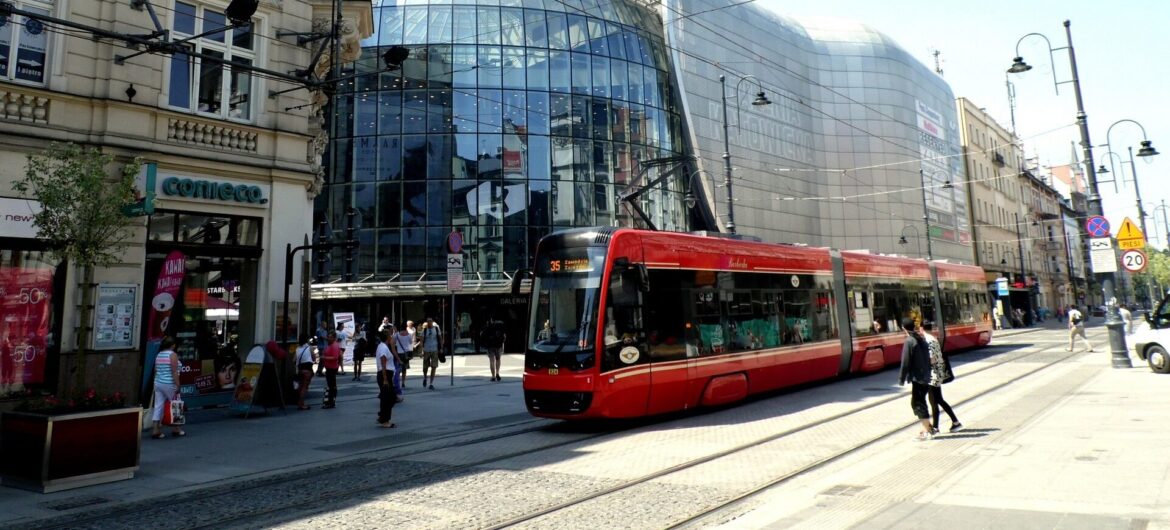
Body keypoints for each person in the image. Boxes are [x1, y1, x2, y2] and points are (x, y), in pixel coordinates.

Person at [898, 318, 934, 442]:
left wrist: (901, 379)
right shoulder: (920, 338)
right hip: (925, 375)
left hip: (918, 377)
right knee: (920, 402)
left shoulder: (909, 341)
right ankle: (928, 428)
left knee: (918, 404)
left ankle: (927, 431)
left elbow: (905, 361)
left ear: (903, 328)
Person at [921, 322, 962, 434]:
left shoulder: (928, 340)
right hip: (937, 373)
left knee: (934, 401)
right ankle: (954, 422)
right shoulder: (933, 339)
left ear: (921, 328)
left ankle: (936, 427)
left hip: (932, 375)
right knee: (938, 400)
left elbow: (932, 359)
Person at [151, 337, 185, 439]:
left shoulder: (159, 355)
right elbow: (174, 371)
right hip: (169, 383)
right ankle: (176, 429)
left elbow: (156, 370)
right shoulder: (172, 355)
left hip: (158, 383)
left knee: (158, 406)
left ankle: (155, 429)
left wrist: (157, 380)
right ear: (173, 345)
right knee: (176, 404)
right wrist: (178, 384)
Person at [374, 331, 397, 428]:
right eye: (390, 335)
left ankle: (382, 416)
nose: (391, 337)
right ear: (387, 337)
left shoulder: (382, 346)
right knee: (389, 398)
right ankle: (385, 420)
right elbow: (383, 361)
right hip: (385, 374)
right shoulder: (383, 347)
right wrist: (385, 378)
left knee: (389, 397)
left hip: (386, 374)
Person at [480, 315, 506, 381]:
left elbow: (482, 335)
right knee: (498, 359)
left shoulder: (488, 326)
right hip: (498, 345)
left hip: (490, 346)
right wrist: (502, 342)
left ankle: (493, 376)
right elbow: (504, 336)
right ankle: (497, 373)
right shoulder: (500, 325)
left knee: (492, 361)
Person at [420, 317, 443, 390]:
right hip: (426, 349)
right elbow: (421, 341)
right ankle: (425, 377)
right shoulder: (424, 330)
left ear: (432, 322)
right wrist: (421, 350)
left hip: (434, 349)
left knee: (434, 366)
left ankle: (431, 383)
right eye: (428, 321)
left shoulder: (436, 329)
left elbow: (440, 338)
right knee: (425, 367)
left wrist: (441, 348)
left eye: (430, 321)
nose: (429, 322)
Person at [320, 330, 341, 408]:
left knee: (331, 385)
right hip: (329, 367)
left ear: (334, 338)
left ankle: (331, 402)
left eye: (331, 337)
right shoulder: (330, 344)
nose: (329, 338)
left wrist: (324, 357)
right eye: (328, 337)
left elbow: (335, 357)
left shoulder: (334, 345)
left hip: (332, 368)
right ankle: (331, 401)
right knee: (331, 385)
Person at [294, 334, 314, 410]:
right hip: (308, 369)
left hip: (300, 369)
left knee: (301, 386)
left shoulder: (297, 349)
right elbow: (314, 358)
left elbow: (294, 360)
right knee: (304, 387)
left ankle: (301, 403)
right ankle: (301, 404)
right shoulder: (310, 348)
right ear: (307, 340)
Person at [393, 324, 414, 390]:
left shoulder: (397, 335)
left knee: (398, 369)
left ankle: (397, 382)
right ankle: (403, 383)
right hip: (406, 354)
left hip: (399, 353)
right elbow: (410, 342)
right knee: (404, 369)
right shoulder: (409, 335)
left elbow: (394, 342)